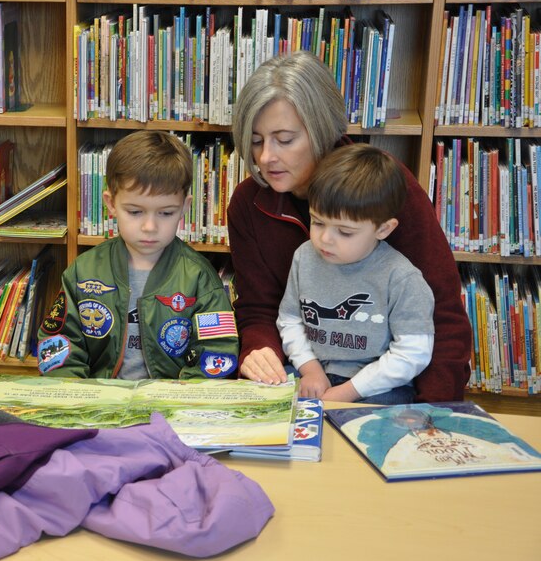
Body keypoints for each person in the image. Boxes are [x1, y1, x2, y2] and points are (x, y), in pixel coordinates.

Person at [227, 51, 472, 403]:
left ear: (322, 130)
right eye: (255, 140)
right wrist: (258, 351)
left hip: (384, 384)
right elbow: (258, 309)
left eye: (285, 139)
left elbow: (440, 312)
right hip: (302, 373)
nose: (266, 157)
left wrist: (433, 412)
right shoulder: (247, 203)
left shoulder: (382, 187)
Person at [37, 131, 239, 379]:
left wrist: (181, 401)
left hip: (171, 406)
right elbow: (58, 344)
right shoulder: (84, 271)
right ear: (111, 204)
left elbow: (218, 352)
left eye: (165, 213)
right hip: (100, 405)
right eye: (135, 212)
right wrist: (78, 397)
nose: (150, 227)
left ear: (184, 208)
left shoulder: (200, 277)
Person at [276, 144, 434, 404]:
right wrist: (310, 368)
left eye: (345, 232)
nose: (325, 239)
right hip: (314, 373)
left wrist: (346, 392)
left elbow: (412, 353)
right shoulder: (304, 257)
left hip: (377, 387)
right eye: (317, 222)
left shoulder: (401, 277)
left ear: (383, 229)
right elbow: (290, 320)